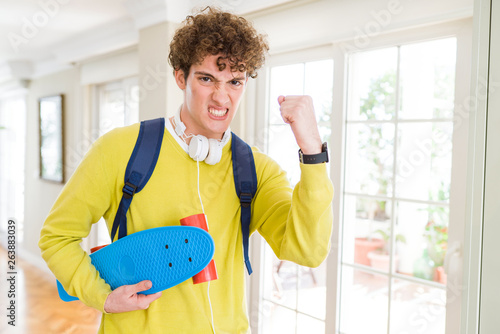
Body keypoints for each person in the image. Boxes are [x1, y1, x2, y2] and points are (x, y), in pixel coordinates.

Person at [39, 6, 333, 333]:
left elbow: (307, 251)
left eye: (235, 81)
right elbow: (57, 237)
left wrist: (312, 151)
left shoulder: (255, 170)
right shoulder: (121, 150)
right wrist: (102, 297)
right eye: (207, 78)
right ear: (181, 76)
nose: (221, 97)